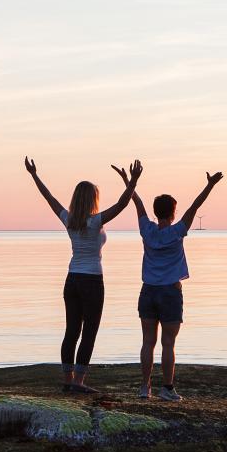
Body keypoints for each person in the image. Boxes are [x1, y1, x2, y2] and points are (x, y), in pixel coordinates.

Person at [25, 157, 143, 393]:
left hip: (72, 280)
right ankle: (78, 382)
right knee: (89, 331)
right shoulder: (95, 221)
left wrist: (34, 175)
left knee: (71, 330)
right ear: (92, 199)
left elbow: (48, 198)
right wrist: (133, 181)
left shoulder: (69, 220)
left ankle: (68, 380)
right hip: (91, 281)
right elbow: (122, 204)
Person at [127, 170, 224, 401]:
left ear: (155, 211)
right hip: (170, 291)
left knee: (147, 342)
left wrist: (130, 181)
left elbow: (136, 201)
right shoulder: (177, 231)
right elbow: (195, 207)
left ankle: (144, 388)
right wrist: (210, 185)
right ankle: (167, 389)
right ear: (173, 212)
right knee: (167, 343)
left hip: (148, 290)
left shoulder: (146, 230)